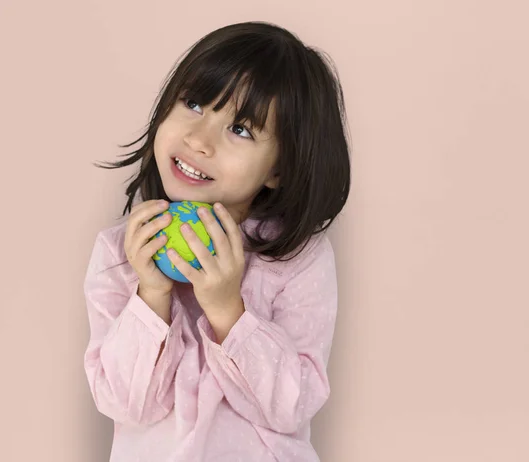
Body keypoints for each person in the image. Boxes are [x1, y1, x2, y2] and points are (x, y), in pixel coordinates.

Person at [83, 20, 350, 462]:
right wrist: (151, 295)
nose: (198, 140)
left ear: (278, 170)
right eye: (192, 103)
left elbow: (292, 407)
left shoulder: (299, 260)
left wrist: (229, 310)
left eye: (241, 129)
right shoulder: (119, 251)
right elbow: (122, 402)